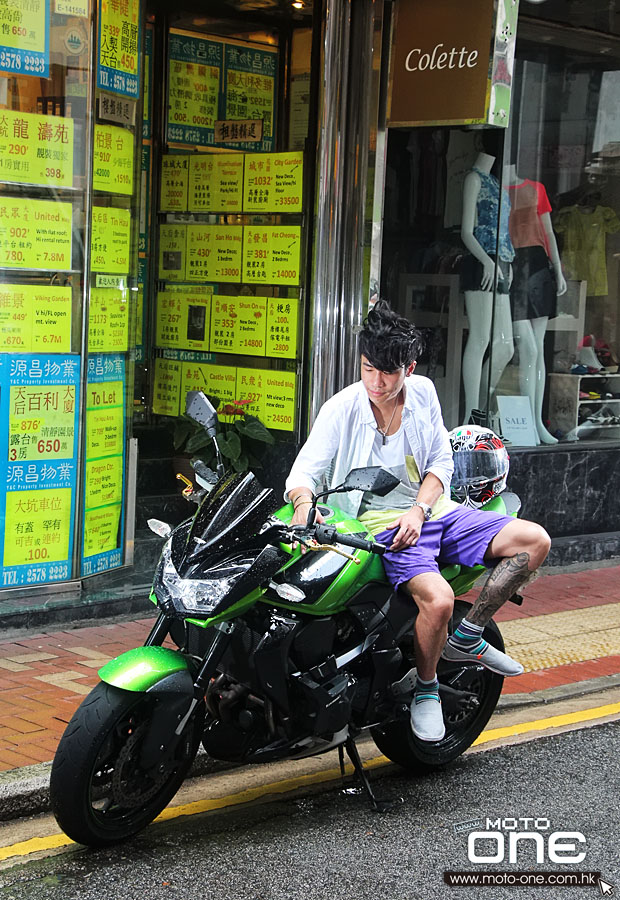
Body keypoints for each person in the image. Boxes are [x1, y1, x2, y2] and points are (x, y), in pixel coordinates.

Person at [285, 301, 551, 743]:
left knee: (534, 541)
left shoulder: (423, 392)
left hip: (433, 512)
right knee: (440, 600)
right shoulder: (342, 408)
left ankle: (468, 635)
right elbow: (304, 473)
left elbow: (441, 461)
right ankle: (427, 688)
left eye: (388, 373)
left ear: (408, 367)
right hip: (380, 527)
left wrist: (421, 508)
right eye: (369, 369)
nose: (376, 382)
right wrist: (302, 507)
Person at [504, 164, 567, 445]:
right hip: (513, 265)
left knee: (538, 349)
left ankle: (537, 422)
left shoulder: (535, 189)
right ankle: (526, 422)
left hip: (539, 267)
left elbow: (549, 232)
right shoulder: (497, 191)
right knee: (527, 347)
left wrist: (558, 269)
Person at [460, 151, 515, 424]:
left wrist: (506, 260)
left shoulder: (495, 181)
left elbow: (503, 230)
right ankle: (472, 414)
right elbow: (466, 231)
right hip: (480, 263)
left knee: (505, 346)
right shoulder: (473, 178)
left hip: (500, 262)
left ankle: (482, 402)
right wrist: (486, 260)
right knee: (481, 338)